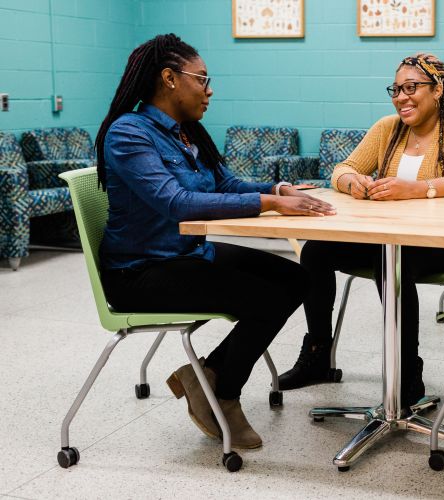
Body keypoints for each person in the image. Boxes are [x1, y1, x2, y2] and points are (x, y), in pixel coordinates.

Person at [95, 34, 335, 449]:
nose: (210, 89)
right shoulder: (129, 134)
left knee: (298, 279)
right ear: (169, 78)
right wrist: (268, 203)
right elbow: (176, 202)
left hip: (189, 253)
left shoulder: (187, 134)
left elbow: (225, 183)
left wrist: (279, 189)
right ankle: (223, 394)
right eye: (201, 79)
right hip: (141, 271)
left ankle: (205, 375)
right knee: (264, 299)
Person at [278, 53, 444, 406]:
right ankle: (318, 355)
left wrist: (420, 188)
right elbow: (342, 169)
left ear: (438, 90)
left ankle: (408, 374)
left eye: (412, 87)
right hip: (388, 239)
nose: (401, 97)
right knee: (316, 249)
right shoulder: (387, 128)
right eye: (396, 89)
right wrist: (353, 183)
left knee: (391, 263)